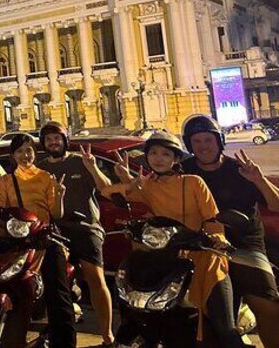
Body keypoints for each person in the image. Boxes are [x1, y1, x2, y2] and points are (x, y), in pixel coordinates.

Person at [104, 130, 243, 347]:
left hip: (205, 258)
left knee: (224, 326)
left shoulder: (194, 182)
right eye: (153, 154)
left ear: (176, 158)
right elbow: (107, 192)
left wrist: (217, 238)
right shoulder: (148, 184)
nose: (159, 159)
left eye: (166, 154)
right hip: (169, 260)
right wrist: (129, 184)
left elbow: (212, 218)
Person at [180, 115, 279, 347]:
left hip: (245, 246)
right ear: (189, 145)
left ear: (219, 141)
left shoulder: (239, 169)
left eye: (208, 140)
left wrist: (259, 180)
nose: (203, 146)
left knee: (267, 305)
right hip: (205, 248)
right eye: (197, 141)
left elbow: (275, 205)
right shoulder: (183, 172)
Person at [36, 121, 114, 345]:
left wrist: (93, 167)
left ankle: (107, 335)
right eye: (49, 139)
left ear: (64, 141)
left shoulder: (81, 161)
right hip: (57, 232)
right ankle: (56, 329)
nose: (53, 142)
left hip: (86, 228)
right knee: (54, 281)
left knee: (96, 279)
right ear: (44, 143)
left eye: (57, 138)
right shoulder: (41, 169)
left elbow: (105, 188)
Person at [0, 133, 73, 348]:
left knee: (58, 293)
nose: (24, 155)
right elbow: (0, 210)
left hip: (44, 238)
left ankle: (64, 342)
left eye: (28, 150)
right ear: (13, 155)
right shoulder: (7, 180)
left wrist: (60, 194)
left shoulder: (46, 177)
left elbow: (56, 214)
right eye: (19, 151)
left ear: (34, 153)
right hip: (19, 241)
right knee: (13, 292)